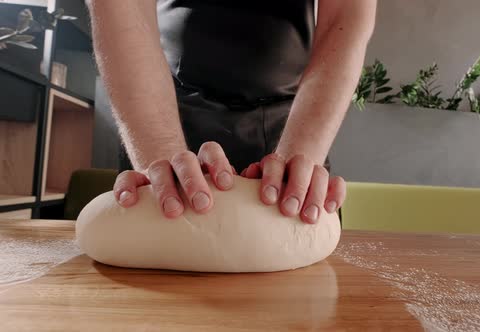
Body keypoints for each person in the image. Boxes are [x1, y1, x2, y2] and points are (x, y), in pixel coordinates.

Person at [86, 0, 376, 224]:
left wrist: (300, 160)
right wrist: (157, 154)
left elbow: (345, 17)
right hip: (161, 116)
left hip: (293, 126)